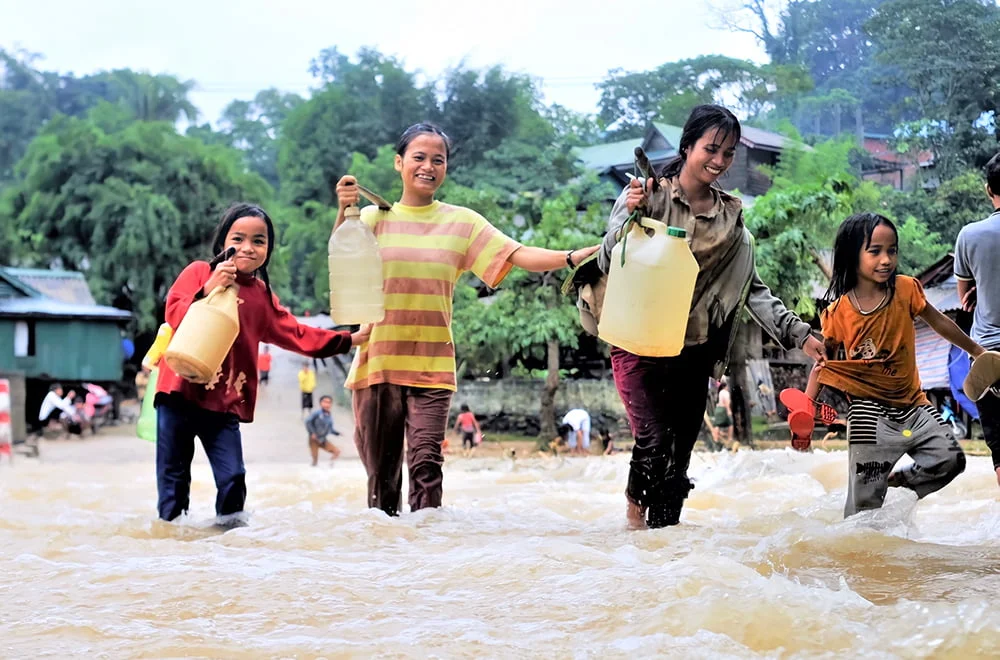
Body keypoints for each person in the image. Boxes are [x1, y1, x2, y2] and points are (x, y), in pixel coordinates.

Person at [335, 122, 600, 516]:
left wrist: (571, 256)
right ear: (398, 163)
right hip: (378, 363)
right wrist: (344, 210)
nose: (428, 166)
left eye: (437, 160)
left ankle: (429, 556)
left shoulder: (462, 223)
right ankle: (386, 564)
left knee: (426, 466)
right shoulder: (372, 219)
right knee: (381, 480)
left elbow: (516, 254)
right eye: (419, 157)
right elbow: (342, 260)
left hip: (432, 367)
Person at [590, 105, 828, 530]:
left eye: (729, 153)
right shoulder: (649, 194)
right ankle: (632, 522)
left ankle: (663, 546)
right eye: (711, 149)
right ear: (687, 147)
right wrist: (629, 214)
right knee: (654, 438)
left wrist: (800, 334)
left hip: (691, 347)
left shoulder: (730, 219)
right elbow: (609, 259)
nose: (719, 161)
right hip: (637, 341)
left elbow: (750, 288)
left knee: (679, 455)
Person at [154, 203, 367, 525]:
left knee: (233, 477)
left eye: (259, 240)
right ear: (223, 240)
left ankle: (229, 541)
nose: (247, 248)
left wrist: (348, 339)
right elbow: (174, 315)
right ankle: (175, 548)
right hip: (178, 393)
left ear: (268, 248)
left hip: (223, 403)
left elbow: (297, 334)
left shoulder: (261, 296)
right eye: (238, 239)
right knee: (173, 481)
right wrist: (210, 287)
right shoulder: (198, 271)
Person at [812, 212, 982, 517]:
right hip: (867, 413)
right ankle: (858, 553)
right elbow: (823, 363)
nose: (886, 259)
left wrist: (975, 350)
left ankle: (894, 484)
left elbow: (939, 322)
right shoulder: (838, 312)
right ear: (853, 256)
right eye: (875, 251)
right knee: (863, 510)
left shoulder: (906, 290)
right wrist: (806, 406)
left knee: (950, 459)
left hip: (913, 404)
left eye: (892, 250)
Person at [954, 151, 1000, 487]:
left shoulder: (970, 235)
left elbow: (963, 297)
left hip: (988, 354)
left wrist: (978, 291)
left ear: (988, 190)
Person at [305, 395, 342, 465]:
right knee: (314, 459)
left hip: (322, 440)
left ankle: (330, 465)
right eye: (325, 402)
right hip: (314, 439)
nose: (327, 404)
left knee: (337, 451)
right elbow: (308, 422)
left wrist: (337, 433)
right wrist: (312, 433)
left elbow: (330, 429)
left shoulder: (329, 416)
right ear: (320, 403)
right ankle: (314, 467)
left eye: (329, 402)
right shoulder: (317, 413)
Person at [711, 380, 734, 449]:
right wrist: (728, 411)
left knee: (717, 424)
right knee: (731, 424)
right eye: (727, 386)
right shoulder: (726, 393)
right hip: (723, 409)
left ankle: (715, 439)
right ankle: (729, 439)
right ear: (725, 386)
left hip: (718, 409)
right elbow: (726, 402)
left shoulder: (720, 392)